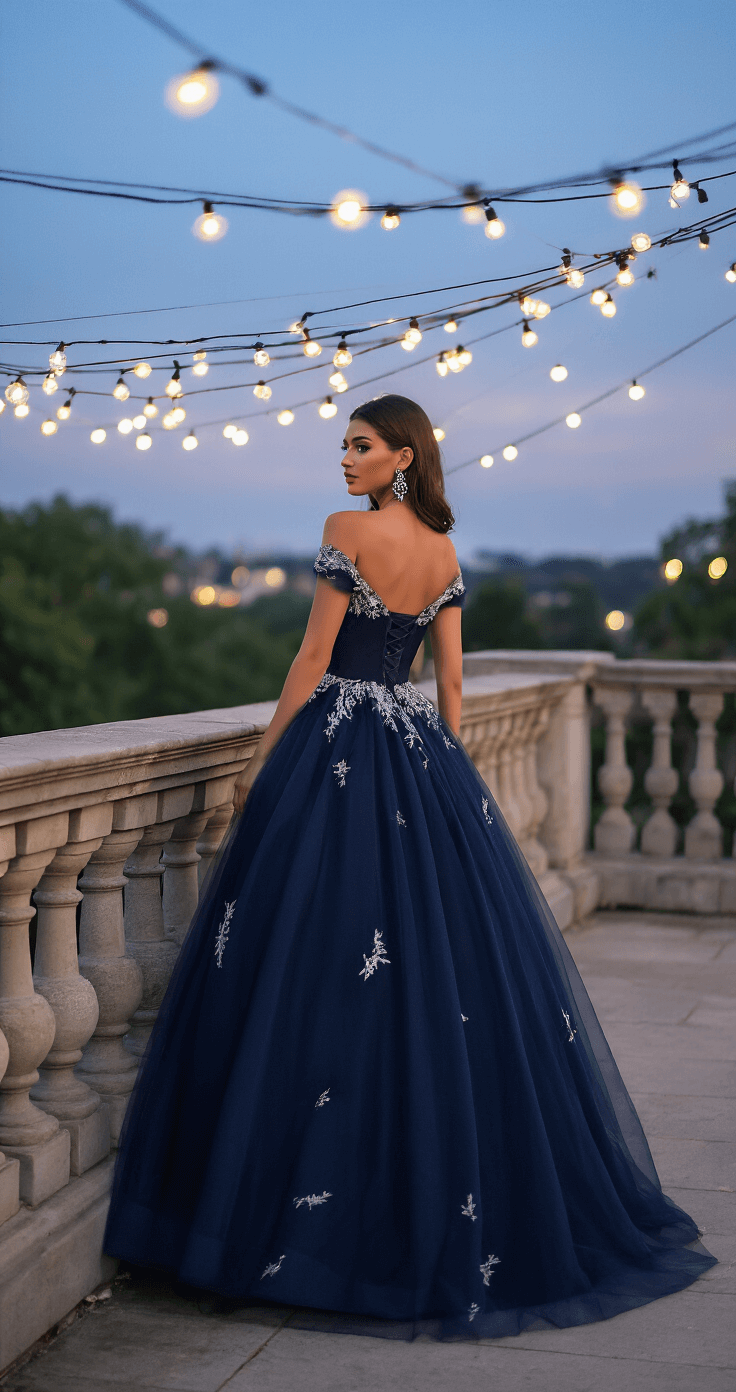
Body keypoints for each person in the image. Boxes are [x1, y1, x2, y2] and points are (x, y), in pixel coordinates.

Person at [105, 393, 715, 1339]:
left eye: (360, 446)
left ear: (401, 457)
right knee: (424, 975)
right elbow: (455, 684)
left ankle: (277, 1208)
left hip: (338, 743)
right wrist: (448, 781)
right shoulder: (444, 552)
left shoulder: (346, 531)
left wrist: (265, 760)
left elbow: (312, 657)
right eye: (343, 446)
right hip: (418, 752)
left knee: (304, 955)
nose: (344, 459)